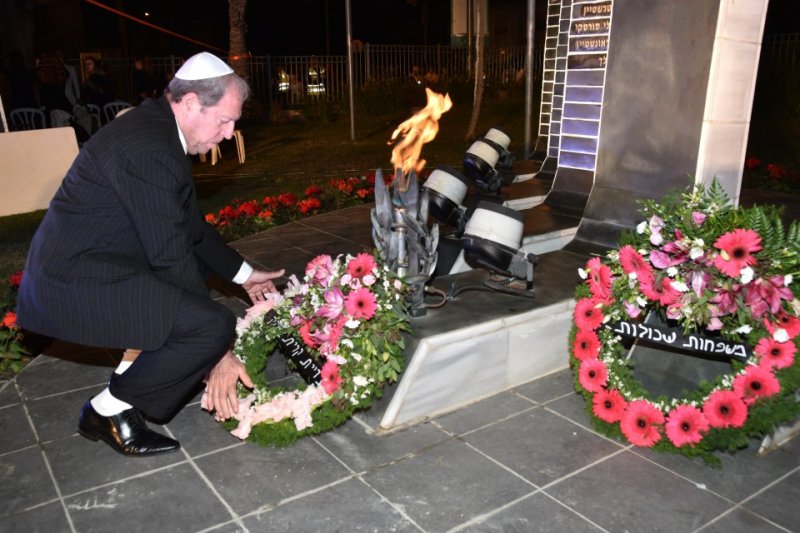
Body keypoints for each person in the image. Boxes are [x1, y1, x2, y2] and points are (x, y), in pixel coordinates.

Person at [16, 52, 284, 457]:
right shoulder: (150, 148)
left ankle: (130, 375)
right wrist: (218, 351)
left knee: (193, 298)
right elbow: (170, 255)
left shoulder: (159, 129)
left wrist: (245, 275)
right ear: (191, 103)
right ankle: (109, 410)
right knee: (210, 325)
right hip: (72, 282)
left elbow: (190, 229)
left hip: (100, 262)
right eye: (224, 121)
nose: (230, 134)